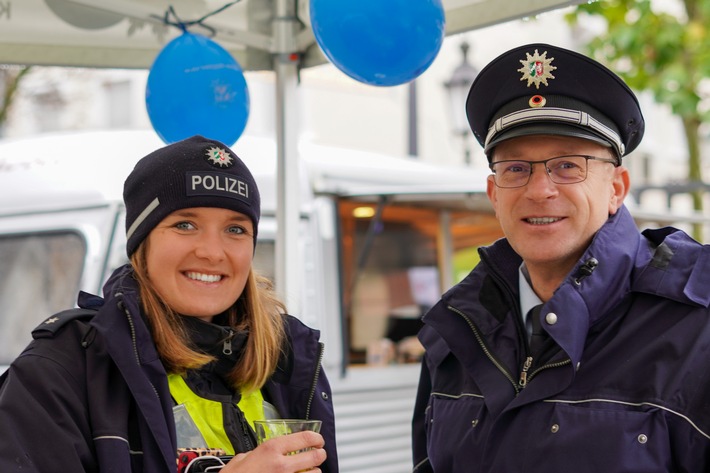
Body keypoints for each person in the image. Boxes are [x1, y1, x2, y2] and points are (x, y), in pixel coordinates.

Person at [412, 43, 710, 472]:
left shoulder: (696, 324)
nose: (539, 190)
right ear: (494, 194)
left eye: (568, 166)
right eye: (515, 169)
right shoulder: (456, 330)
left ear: (617, 189)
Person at [0, 135, 338, 473]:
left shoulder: (288, 361)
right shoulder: (62, 370)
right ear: (141, 245)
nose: (212, 251)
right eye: (185, 225)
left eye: (235, 229)